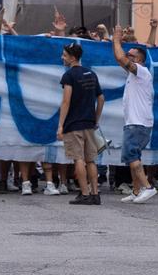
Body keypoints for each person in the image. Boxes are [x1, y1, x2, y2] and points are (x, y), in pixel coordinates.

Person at [57, 41, 104, 206]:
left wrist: (61, 125)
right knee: (91, 160)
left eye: (64, 55)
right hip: (89, 123)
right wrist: (96, 118)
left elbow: (66, 101)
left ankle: (84, 193)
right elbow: (101, 98)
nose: (62, 58)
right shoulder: (91, 74)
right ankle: (95, 193)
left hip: (74, 124)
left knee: (78, 159)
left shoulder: (69, 76)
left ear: (71, 57)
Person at [113, 25, 156, 204]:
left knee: (132, 156)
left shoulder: (142, 72)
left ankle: (148, 187)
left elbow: (121, 59)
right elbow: (121, 59)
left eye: (131, 55)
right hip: (136, 122)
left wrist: (116, 40)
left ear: (140, 59)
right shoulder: (135, 75)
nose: (127, 56)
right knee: (134, 157)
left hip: (138, 123)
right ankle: (136, 190)